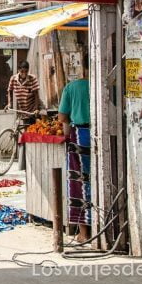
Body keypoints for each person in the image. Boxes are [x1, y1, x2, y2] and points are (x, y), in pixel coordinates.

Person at [58, 69, 91, 243]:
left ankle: (84, 233)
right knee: (96, 182)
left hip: (80, 137)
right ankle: (101, 228)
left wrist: (67, 130)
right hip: (99, 134)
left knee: (80, 183)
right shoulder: (103, 85)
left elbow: (62, 116)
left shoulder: (71, 87)